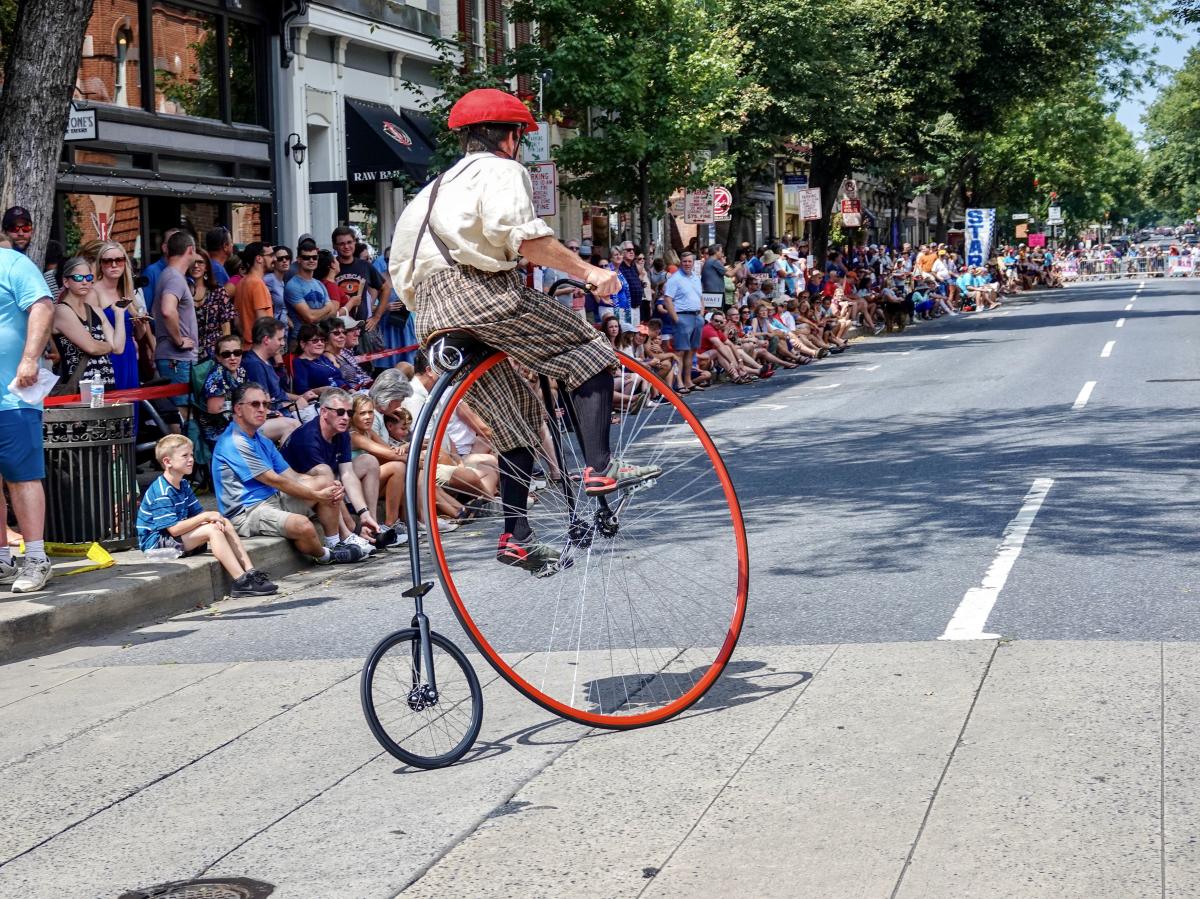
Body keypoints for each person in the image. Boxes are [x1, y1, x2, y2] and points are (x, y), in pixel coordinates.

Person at [388, 87, 659, 573]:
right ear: (510, 138)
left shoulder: (432, 189)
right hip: (479, 292)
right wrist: (591, 274)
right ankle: (600, 466)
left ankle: (517, 533)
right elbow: (526, 239)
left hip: (429, 315)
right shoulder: (501, 170)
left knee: (516, 413)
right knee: (589, 350)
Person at [212, 383, 366, 564]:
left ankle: (335, 543)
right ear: (238, 409)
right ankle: (327, 556)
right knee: (303, 526)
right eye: (255, 404)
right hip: (248, 513)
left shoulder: (261, 439)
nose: (262, 409)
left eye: (265, 404)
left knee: (328, 483)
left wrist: (328, 486)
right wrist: (316, 495)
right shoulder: (234, 442)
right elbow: (275, 480)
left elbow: (292, 476)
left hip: (274, 499)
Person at [137, 434, 278, 596]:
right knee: (212, 530)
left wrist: (212, 518)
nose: (191, 459)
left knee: (222, 521)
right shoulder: (162, 491)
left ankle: (250, 572)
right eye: (185, 456)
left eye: (191, 455)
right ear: (167, 462)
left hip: (173, 539)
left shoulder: (183, 484)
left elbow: (198, 514)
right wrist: (206, 519)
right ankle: (241, 582)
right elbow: (174, 530)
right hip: (156, 546)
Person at [0, 244, 54, 593]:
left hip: (12, 394)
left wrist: (30, 358)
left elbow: (43, 305)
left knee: (22, 475)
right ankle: (2, 559)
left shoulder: (12, 263)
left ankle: (36, 558)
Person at [280, 388, 383, 555]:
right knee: (325, 472)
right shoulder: (307, 438)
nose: (346, 418)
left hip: (324, 485)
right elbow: (327, 482)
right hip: (295, 495)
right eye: (340, 412)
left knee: (369, 461)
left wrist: (363, 513)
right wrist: (349, 525)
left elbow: (347, 474)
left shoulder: (341, 432)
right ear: (324, 412)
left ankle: (371, 526)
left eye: (349, 413)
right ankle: (345, 534)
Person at [52, 256, 123, 389]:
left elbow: (118, 348)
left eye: (89, 278)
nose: (84, 282)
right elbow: (91, 347)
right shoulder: (62, 310)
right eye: (78, 278)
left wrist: (119, 314)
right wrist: (108, 346)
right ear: (66, 282)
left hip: (106, 383)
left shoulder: (96, 311)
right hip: (78, 388)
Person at [154, 231, 200, 423]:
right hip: (177, 358)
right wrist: (179, 340)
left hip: (174, 357)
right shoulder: (174, 278)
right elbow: (167, 309)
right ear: (190, 250)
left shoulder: (169, 275)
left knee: (180, 412)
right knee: (181, 413)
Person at [86, 240, 141, 393]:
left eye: (119, 260)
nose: (114, 265)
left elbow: (138, 334)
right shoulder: (93, 292)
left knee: (131, 408)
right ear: (100, 265)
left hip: (129, 354)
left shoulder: (126, 291)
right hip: (108, 357)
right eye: (108, 261)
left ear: (125, 263)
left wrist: (141, 324)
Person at [242, 316, 317, 417]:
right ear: (266, 340)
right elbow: (265, 405)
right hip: (280, 416)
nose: (282, 344)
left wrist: (300, 397)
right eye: (280, 339)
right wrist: (294, 406)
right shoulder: (254, 365)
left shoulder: (266, 360)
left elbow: (278, 393)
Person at [662, 250, 705, 394]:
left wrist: (701, 315)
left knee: (691, 351)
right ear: (680, 262)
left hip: (696, 316)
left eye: (689, 261)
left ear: (693, 263)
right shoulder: (675, 279)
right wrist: (676, 319)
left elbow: (700, 297)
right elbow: (667, 299)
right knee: (680, 352)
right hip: (682, 316)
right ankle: (678, 382)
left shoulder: (696, 277)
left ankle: (688, 381)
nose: (687, 264)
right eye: (684, 261)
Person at [285, 238, 338, 343]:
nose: (311, 260)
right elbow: (310, 317)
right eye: (306, 258)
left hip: (320, 339)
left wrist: (317, 314)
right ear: (298, 259)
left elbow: (332, 312)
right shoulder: (293, 285)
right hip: (300, 341)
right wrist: (326, 308)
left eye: (314, 257)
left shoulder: (319, 284)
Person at [332, 226, 386, 324]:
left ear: (354, 243)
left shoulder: (364, 265)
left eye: (349, 242)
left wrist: (376, 317)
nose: (346, 246)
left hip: (360, 328)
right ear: (334, 246)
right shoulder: (331, 266)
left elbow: (386, 288)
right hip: (337, 327)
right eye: (341, 244)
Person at [191, 248, 235, 360]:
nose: (196, 265)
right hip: (189, 352)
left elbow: (226, 327)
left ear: (206, 267)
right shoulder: (182, 290)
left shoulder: (218, 291)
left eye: (200, 262)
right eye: (192, 262)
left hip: (215, 352)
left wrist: (226, 352)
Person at [292, 322, 349, 396]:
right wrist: (319, 391)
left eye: (322, 340)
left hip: (343, 394)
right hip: (326, 400)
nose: (320, 343)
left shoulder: (323, 358)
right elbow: (301, 390)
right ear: (303, 343)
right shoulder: (300, 363)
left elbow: (340, 378)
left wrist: (350, 389)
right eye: (315, 341)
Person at [235, 242, 273, 349]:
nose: (274, 259)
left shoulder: (242, 282)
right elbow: (263, 322)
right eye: (270, 255)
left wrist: (247, 338)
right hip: (259, 349)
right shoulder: (257, 284)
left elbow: (237, 321)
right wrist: (275, 354)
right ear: (259, 258)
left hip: (246, 347)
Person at [141, 228, 181, 315]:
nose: (179, 246)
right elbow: (145, 310)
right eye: (174, 242)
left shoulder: (184, 270)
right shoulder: (151, 272)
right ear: (164, 248)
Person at [266, 246, 289, 325]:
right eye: (280, 259)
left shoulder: (282, 282)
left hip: (283, 330)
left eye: (287, 257)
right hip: (272, 329)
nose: (284, 261)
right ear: (274, 262)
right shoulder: (269, 279)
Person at [700, 244, 727, 311]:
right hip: (715, 295)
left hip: (711, 295)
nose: (722, 253)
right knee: (716, 314)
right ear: (716, 252)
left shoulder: (708, 261)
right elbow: (730, 274)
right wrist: (738, 266)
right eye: (721, 251)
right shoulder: (714, 261)